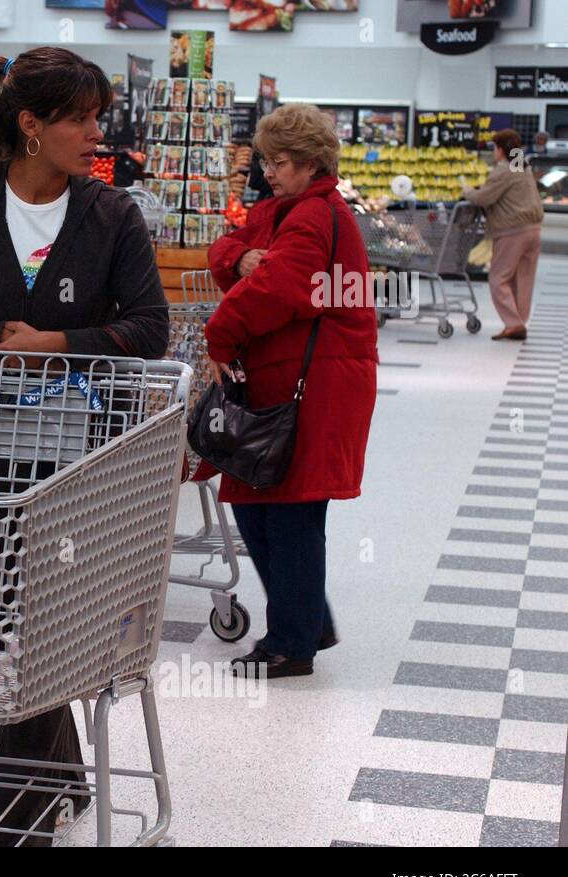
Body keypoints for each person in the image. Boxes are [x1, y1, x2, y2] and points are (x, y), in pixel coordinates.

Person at [0, 46, 168, 845]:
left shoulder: (111, 215)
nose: (97, 133)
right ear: (31, 124)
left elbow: (150, 329)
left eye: (97, 117)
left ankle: (12, 830)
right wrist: (0, 342)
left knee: (42, 631)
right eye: (81, 118)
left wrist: (57, 340)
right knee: (9, 630)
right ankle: (66, 779)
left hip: (85, 463)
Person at [201, 102, 377, 679]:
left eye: (280, 163)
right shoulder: (284, 209)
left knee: (291, 513)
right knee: (261, 506)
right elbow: (227, 249)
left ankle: (290, 645)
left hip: (318, 384)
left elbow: (278, 289)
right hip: (292, 384)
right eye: (266, 161)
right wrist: (241, 256)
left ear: (310, 164)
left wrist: (220, 335)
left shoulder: (315, 216)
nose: (268, 173)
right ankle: (306, 621)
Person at [461, 128, 544, 341]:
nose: (494, 152)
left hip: (512, 230)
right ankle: (517, 322)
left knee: (499, 277)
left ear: (500, 149)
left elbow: (484, 198)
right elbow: (509, 188)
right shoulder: (521, 166)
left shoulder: (504, 169)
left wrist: (466, 190)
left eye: (495, 148)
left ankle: (514, 324)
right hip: (533, 229)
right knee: (522, 278)